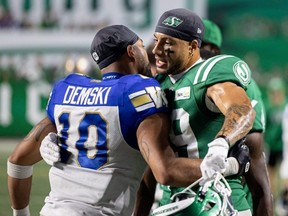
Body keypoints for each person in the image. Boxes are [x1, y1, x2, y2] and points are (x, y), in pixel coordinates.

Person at [7, 24, 243, 216]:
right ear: (132, 52)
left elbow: (17, 160)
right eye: (142, 46)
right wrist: (230, 165)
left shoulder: (66, 88)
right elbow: (165, 171)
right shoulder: (139, 91)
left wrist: (21, 213)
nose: (150, 52)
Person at [135, 8, 256, 216]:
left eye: (168, 42)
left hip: (221, 199)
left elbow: (242, 110)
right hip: (173, 201)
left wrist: (222, 142)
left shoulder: (208, 74)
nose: (157, 50)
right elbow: (152, 171)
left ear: (192, 46)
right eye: (157, 40)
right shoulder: (156, 85)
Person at [201, 18, 273, 215]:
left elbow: (253, 155)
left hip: (229, 199)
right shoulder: (171, 80)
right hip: (178, 198)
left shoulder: (241, 87)